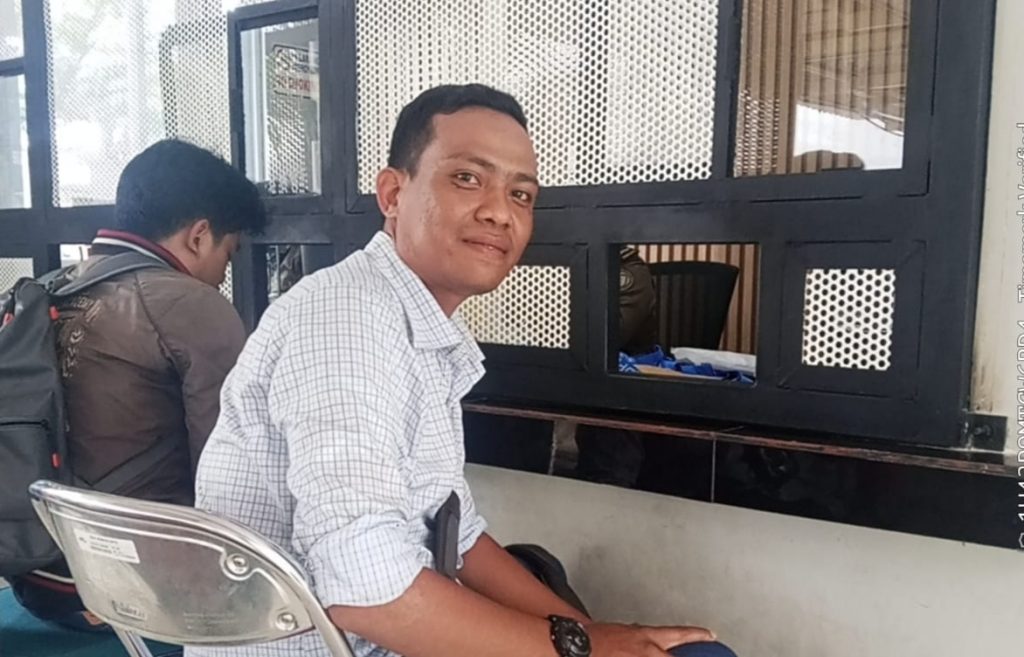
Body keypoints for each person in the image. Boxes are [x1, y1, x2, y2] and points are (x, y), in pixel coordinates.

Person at [192, 84, 735, 657]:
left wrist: (583, 631)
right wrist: (581, 649)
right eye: (467, 178)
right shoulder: (346, 318)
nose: (500, 211)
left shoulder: (413, 326)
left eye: (521, 194)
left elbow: (457, 530)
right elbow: (367, 591)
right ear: (393, 193)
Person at [10, 139, 267, 631]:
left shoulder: (47, 289)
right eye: (229, 254)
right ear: (199, 236)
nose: (222, 275)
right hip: (140, 594)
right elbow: (233, 471)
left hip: (37, 576)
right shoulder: (191, 303)